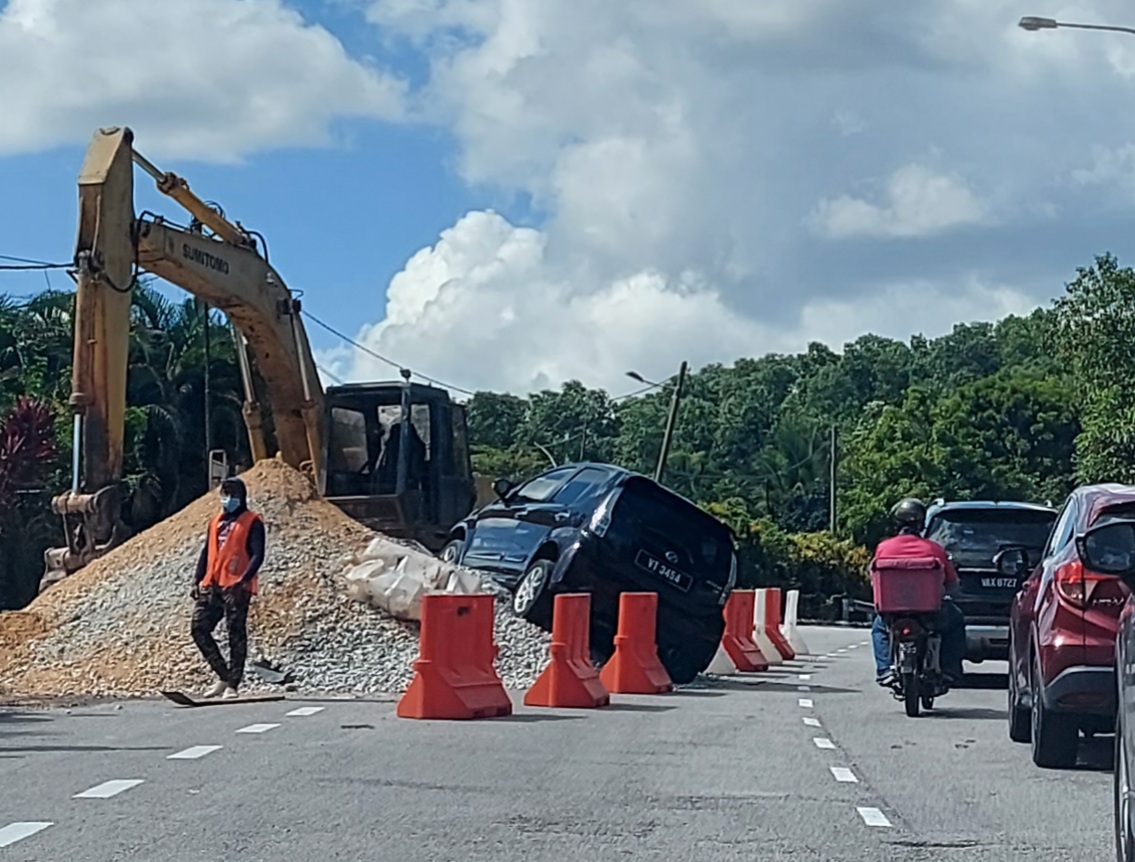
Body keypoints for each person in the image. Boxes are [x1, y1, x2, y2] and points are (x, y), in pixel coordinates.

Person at [870, 497, 966, 687]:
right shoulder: (934, 549)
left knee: (879, 628)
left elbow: (874, 577)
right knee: (956, 621)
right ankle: (949, 669)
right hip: (931, 612)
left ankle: (884, 670)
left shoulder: (884, 548)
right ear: (921, 523)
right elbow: (952, 583)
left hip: (893, 612)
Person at [190, 477, 266, 699]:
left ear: (242, 497)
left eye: (232, 495)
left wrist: (243, 580)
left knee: (236, 633)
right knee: (199, 627)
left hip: (236, 586)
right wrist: (197, 579)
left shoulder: (253, 522)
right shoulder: (215, 522)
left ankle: (233, 684)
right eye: (224, 494)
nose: (227, 499)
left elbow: (258, 555)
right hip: (213, 583)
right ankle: (223, 675)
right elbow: (206, 552)